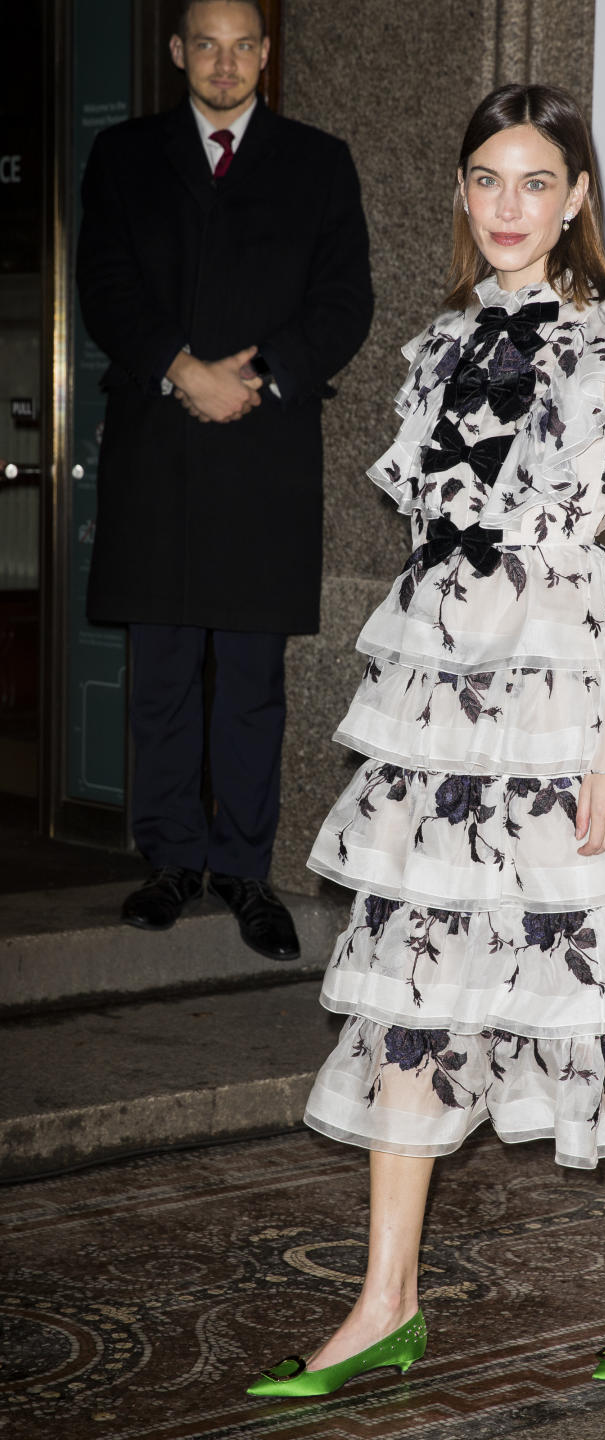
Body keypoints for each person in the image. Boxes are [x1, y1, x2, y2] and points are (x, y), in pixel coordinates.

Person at [246, 83, 605, 1399]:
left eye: (535, 181)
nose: (509, 206)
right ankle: (383, 1300)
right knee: (412, 994)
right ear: (462, 197)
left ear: (576, 198)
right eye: (485, 180)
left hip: (569, 719)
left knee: (594, 1001)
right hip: (447, 731)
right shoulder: (446, 348)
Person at [76, 0, 373, 960]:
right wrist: (182, 366)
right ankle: (169, 861)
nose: (226, 62)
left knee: (250, 681)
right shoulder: (123, 158)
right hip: (158, 453)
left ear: (265, 55)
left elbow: (346, 298)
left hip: (263, 454)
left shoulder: (318, 162)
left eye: (244, 44)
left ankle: (245, 872)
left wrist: (265, 373)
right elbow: (106, 285)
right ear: (178, 54)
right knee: (162, 675)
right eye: (206, 43)